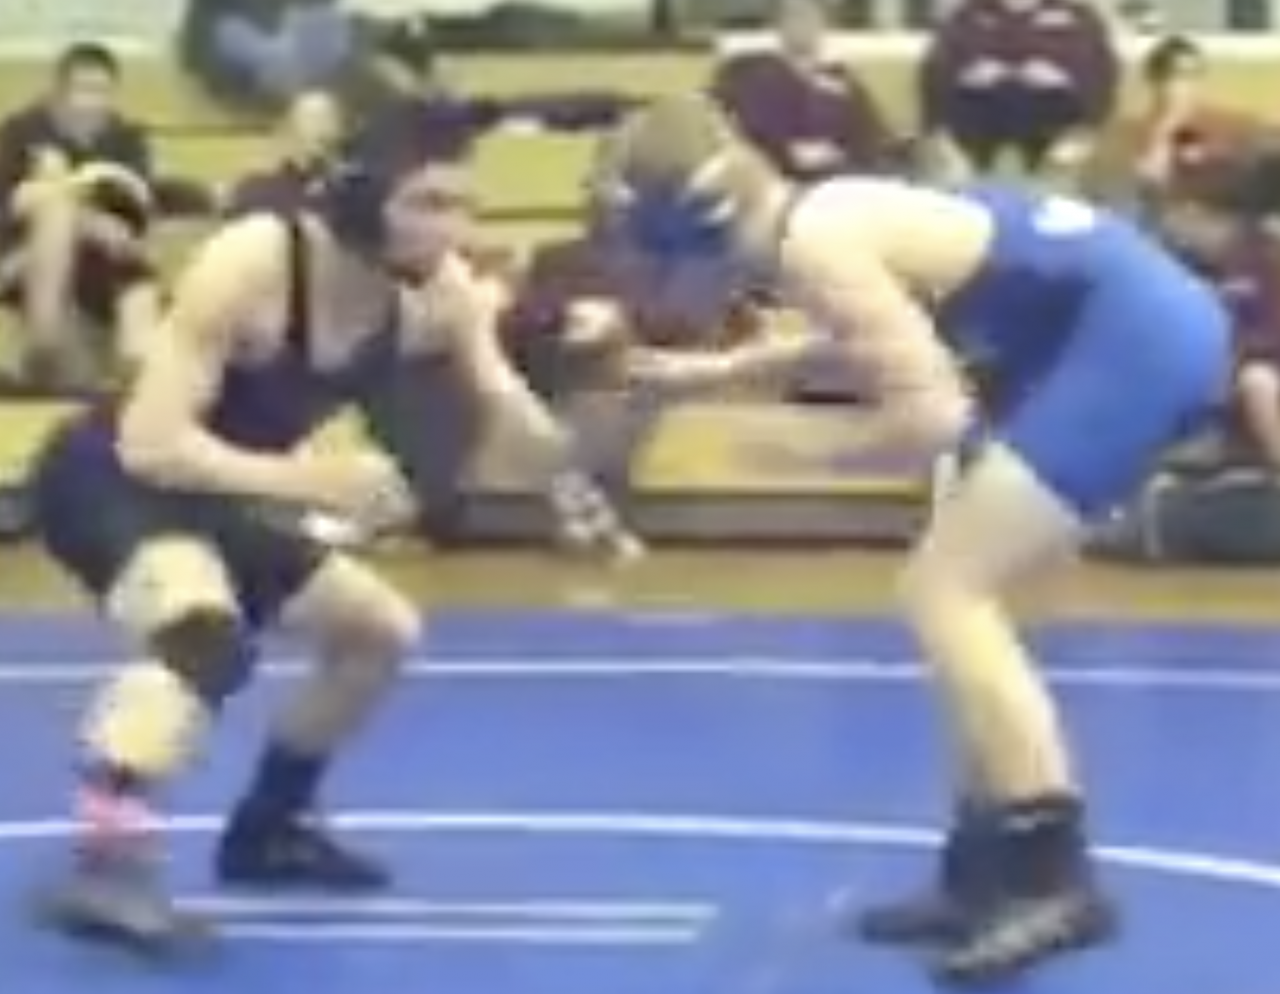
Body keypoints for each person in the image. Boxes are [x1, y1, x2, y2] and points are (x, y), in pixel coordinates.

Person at [598, 96, 1231, 986]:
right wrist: (717, 375)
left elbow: (930, 415)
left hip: (1129, 341)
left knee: (947, 590)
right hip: (1110, 330)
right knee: (957, 591)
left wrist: (795, 454)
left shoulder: (814, 241)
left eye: (643, 264)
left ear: (684, 234)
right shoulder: (814, 223)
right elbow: (862, 338)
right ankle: (980, 869)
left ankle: (1054, 876)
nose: (648, 293)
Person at [29, 101, 636, 954]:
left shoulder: (442, 290)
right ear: (357, 199)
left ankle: (269, 831)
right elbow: (152, 441)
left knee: (377, 633)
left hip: (228, 491)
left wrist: (576, 457)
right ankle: (103, 873)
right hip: (111, 479)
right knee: (201, 636)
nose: (450, 229)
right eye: (428, 204)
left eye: (463, 206)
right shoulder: (254, 261)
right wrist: (310, 480)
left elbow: (503, 407)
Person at [0, 42, 161, 386]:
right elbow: (14, 203)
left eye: (103, 92)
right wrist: (79, 215)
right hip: (27, 262)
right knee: (54, 209)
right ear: (58, 92)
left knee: (140, 286)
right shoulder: (20, 132)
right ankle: (44, 342)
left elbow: (132, 217)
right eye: (83, 90)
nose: (93, 103)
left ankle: (136, 372)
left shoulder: (128, 139)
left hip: (104, 266)